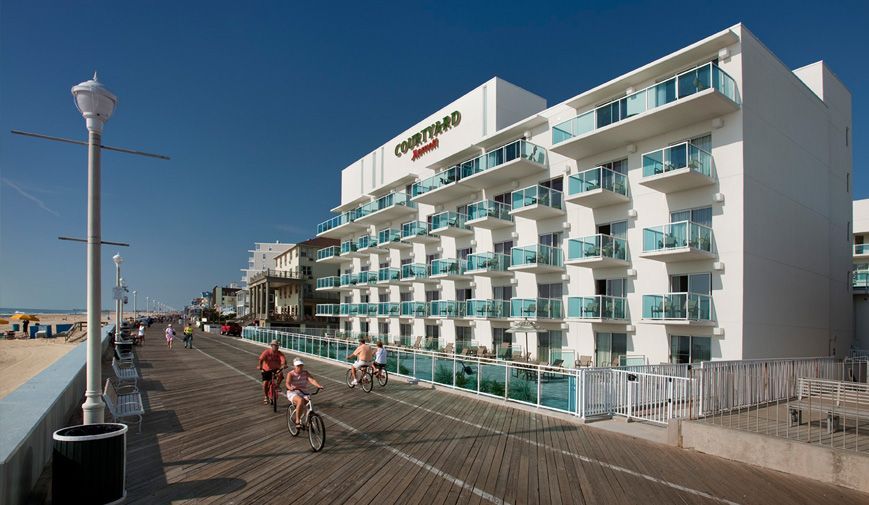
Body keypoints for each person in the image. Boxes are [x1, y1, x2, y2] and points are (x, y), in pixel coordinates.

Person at [285, 358, 323, 427]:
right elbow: (287, 383)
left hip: (303, 392)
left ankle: (308, 419)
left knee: (309, 403)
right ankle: (297, 421)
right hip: (293, 392)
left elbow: (311, 380)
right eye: (298, 366)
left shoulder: (305, 373)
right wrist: (290, 388)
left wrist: (318, 385)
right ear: (294, 366)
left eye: (301, 365)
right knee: (300, 400)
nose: (300, 367)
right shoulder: (290, 374)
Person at [258, 340, 287, 404]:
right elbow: (261, 359)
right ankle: (266, 396)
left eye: (277, 346)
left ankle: (277, 386)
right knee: (265, 383)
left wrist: (284, 365)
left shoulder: (279, 353)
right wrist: (260, 366)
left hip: (276, 369)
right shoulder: (267, 352)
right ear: (271, 346)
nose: (276, 347)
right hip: (266, 369)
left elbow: (283, 360)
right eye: (275, 346)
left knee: (280, 374)